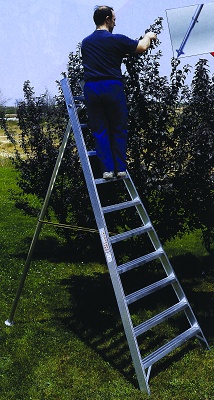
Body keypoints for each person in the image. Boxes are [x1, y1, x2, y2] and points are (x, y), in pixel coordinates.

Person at [81, 5, 156, 179]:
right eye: (114, 20)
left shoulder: (86, 42)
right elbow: (142, 47)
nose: (115, 23)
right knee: (118, 128)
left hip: (91, 88)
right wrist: (149, 35)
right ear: (107, 19)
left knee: (99, 130)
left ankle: (107, 170)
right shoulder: (116, 40)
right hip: (111, 85)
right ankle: (120, 168)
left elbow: (102, 58)